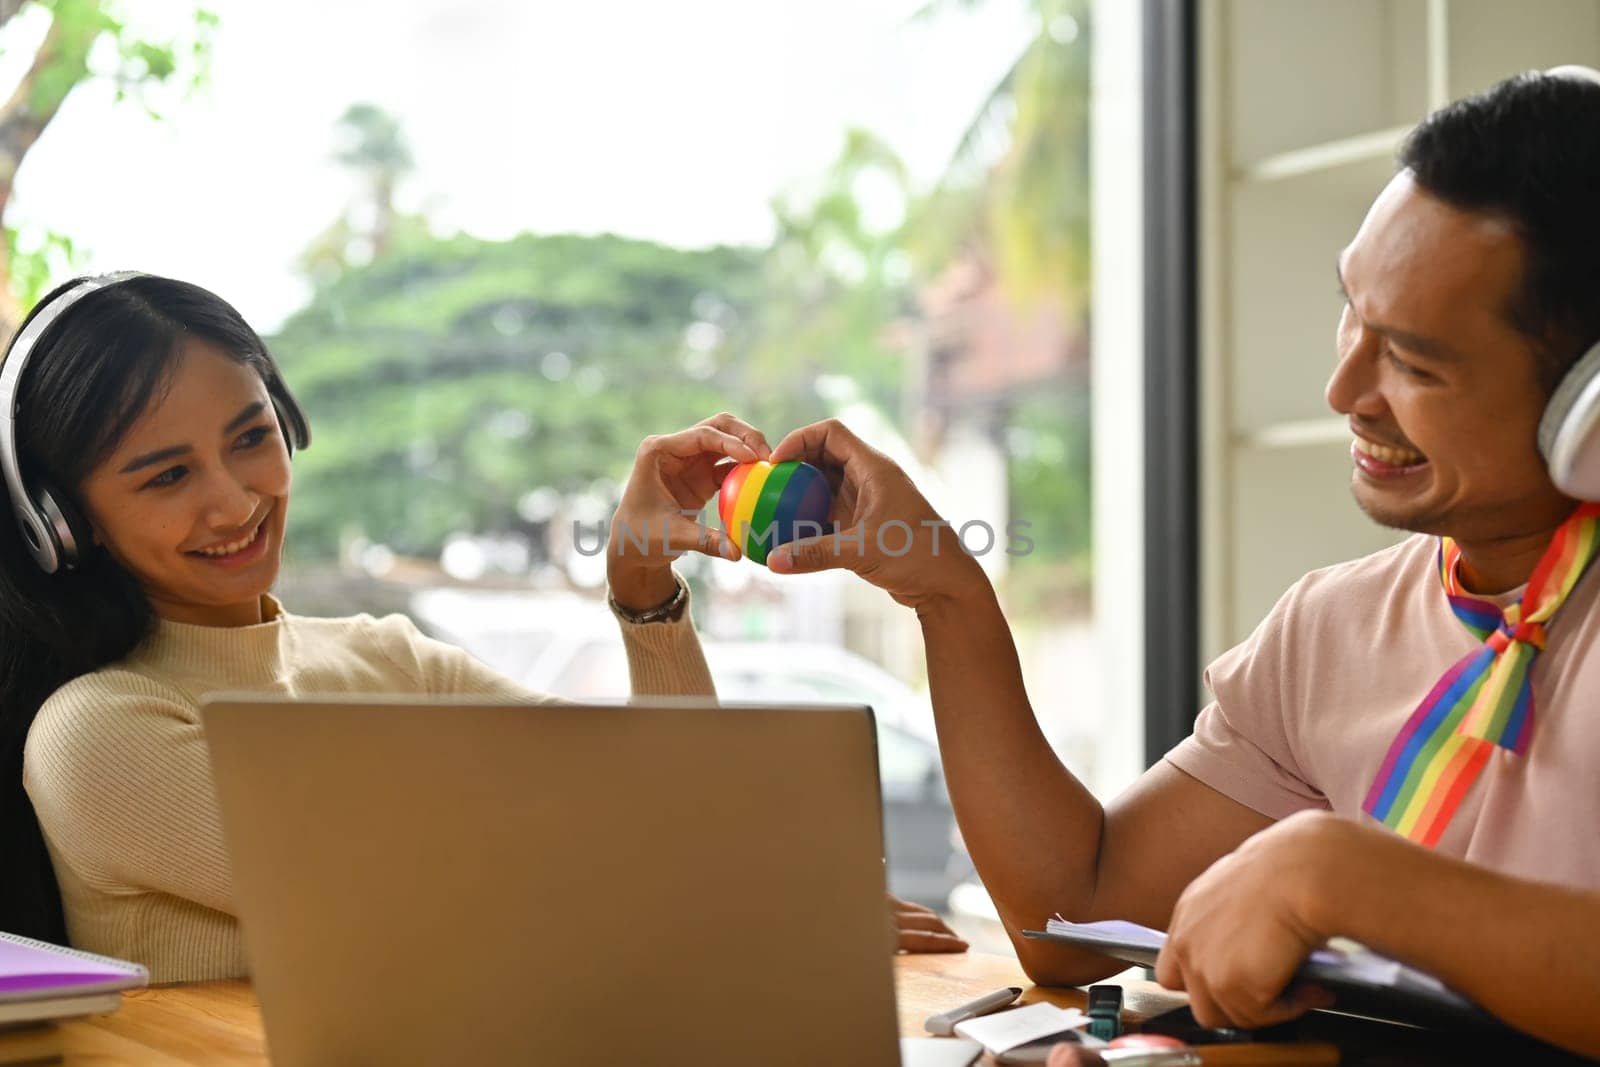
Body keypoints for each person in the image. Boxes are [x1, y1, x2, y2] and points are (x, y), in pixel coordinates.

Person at [756, 69, 1600, 1059]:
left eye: (1413, 363)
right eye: (1350, 316)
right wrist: (942, 588)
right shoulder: (1330, 632)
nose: (1344, 391)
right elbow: (1072, 910)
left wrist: (1352, 876)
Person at [0, 274, 959, 982]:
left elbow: (669, 802)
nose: (235, 501)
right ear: (62, 520)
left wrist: (640, 582)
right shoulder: (98, 732)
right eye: (166, 476)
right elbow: (441, 908)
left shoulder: (384, 657)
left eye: (251, 437)